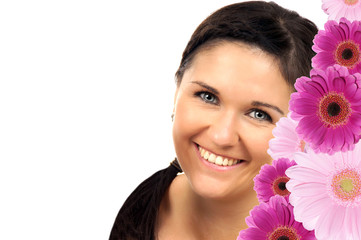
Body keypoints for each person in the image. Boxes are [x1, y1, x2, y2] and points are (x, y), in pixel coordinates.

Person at [109, 1, 318, 239]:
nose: (222, 135)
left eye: (259, 114)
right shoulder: (143, 205)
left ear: (302, 134)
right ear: (177, 90)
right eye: (208, 97)